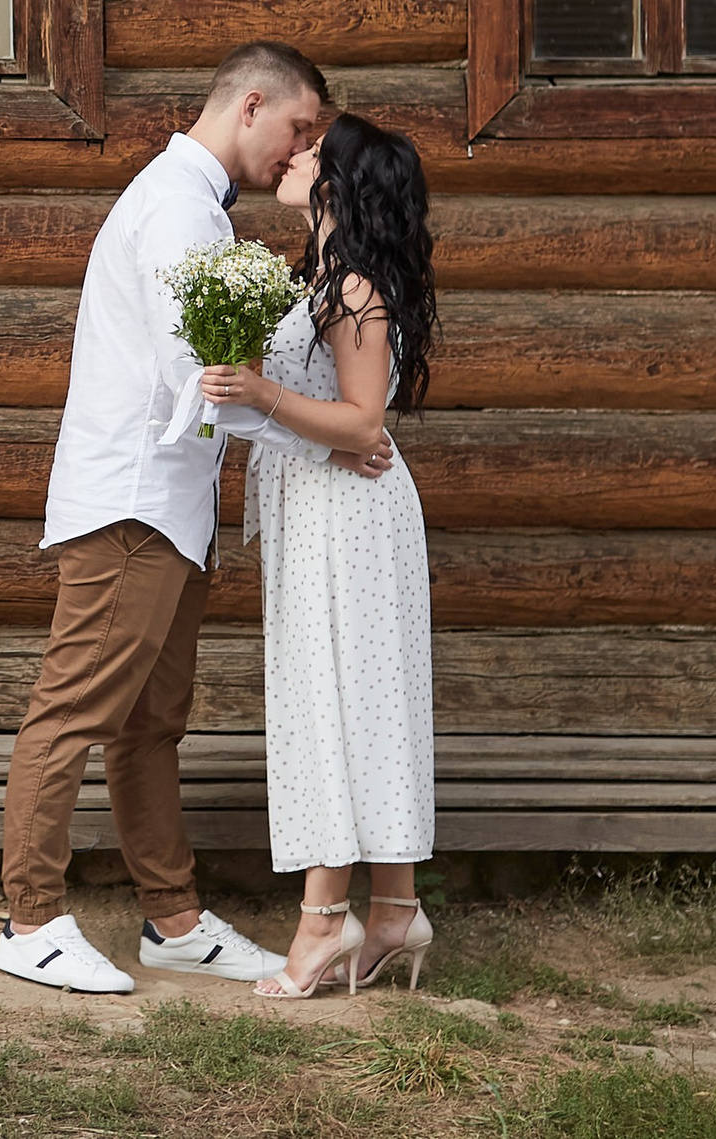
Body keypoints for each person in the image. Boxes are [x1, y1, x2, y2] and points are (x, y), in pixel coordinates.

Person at [0, 43, 395, 995]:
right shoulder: (176, 206)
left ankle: (172, 919)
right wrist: (327, 441)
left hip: (170, 511)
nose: (301, 150)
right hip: (131, 503)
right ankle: (30, 921)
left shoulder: (197, 205)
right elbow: (201, 377)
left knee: (150, 723)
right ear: (251, 104)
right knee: (75, 709)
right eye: (298, 127)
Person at [198, 112, 440, 999]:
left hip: (351, 519)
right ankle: (395, 908)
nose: (294, 157)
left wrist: (258, 390)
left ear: (337, 183)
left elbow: (363, 423)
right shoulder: (328, 277)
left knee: (334, 702)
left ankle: (324, 921)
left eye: (312, 152)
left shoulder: (355, 288)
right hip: (329, 508)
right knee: (358, 700)